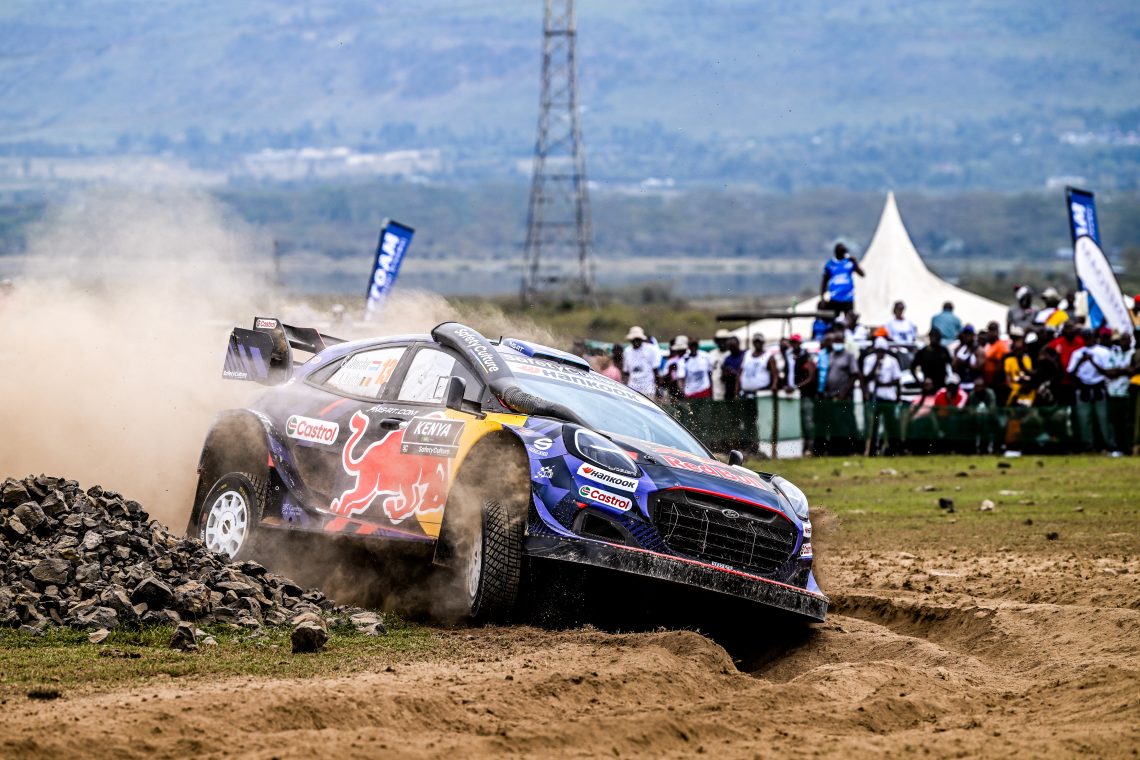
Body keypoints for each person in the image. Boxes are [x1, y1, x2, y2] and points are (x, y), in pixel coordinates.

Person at [1067, 328, 1115, 452]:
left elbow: (1108, 371)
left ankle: (1108, 445)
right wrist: (1081, 361)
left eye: (1090, 336)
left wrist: (1092, 361)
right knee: (1084, 419)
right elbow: (1070, 372)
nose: (1088, 339)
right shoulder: (1077, 353)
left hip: (1099, 387)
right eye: (1085, 337)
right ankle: (1088, 445)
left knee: (1103, 418)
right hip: (1084, 388)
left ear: (1095, 337)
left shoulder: (1103, 352)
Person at [819, 331, 860, 454]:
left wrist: (844, 392)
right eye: (835, 341)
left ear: (843, 342)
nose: (836, 343)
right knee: (834, 422)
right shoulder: (830, 355)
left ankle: (852, 448)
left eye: (839, 341)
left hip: (844, 396)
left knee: (847, 421)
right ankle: (836, 449)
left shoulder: (849, 356)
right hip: (831, 395)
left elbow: (854, 374)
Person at [860, 336, 902, 454]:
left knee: (891, 424)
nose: (880, 353)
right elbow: (866, 377)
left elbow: (897, 379)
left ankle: (894, 449)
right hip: (875, 397)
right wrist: (876, 364)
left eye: (882, 351)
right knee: (874, 424)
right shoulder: (869, 360)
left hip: (888, 396)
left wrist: (894, 392)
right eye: (878, 351)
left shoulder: (892, 361)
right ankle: (872, 450)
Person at [1105, 332, 1134, 455]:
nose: (1124, 342)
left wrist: (1117, 370)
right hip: (1113, 392)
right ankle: (1118, 447)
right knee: (1115, 422)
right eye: (1122, 340)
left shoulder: (1133, 354)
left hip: (1127, 393)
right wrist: (1123, 370)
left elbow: (1132, 370)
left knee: (1127, 422)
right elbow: (1109, 372)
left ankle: (1128, 448)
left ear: (1130, 341)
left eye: (1126, 340)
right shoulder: (1114, 354)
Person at [789, 335, 818, 455]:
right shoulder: (790, 356)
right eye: (792, 342)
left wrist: (797, 386)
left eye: (796, 342)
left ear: (799, 343)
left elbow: (811, 377)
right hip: (793, 395)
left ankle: (810, 447)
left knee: (808, 422)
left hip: (806, 394)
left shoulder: (806, 356)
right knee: (798, 422)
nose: (794, 345)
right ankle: (801, 447)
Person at [1047, 321, 1086, 407]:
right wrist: (1054, 359)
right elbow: (1045, 352)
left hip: (1077, 381)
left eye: (1071, 329)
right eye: (1067, 329)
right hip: (1061, 381)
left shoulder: (1080, 342)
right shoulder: (1058, 342)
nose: (1069, 331)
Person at [819, 242, 864, 315]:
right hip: (835, 298)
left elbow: (862, 274)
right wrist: (822, 297)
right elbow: (824, 282)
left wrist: (855, 263)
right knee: (833, 319)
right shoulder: (830, 265)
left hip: (848, 298)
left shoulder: (849, 262)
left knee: (849, 318)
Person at [622, 326, 660, 398]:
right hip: (632, 389)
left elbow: (655, 370)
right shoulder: (627, 351)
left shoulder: (651, 349)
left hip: (648, 389)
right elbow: (626, 372)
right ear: (631, 340)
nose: (636, 342)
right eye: (634, 340)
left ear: (641, 339)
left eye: (638, 339)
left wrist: (658, 388)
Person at [1003, 328, 1036, 406]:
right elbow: (1008, 381)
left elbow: (1028, 377)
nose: (1016, 343)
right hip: (1014, 393)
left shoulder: (1028, 358)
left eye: (1018, 340)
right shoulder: (1008, 360)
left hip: (1027, 393)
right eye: (1014, 340)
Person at [950, 326, 983, 391]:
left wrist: (966, 362)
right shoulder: (959, 349)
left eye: (969, 334)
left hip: (974, 386)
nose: (967, 336)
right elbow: (953, 367)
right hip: (961, 384)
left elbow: (980, 368)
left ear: (973, 335)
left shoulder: (978, 350)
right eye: (965, 334)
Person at [662, 336, 689, 403]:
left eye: (682, 349)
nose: (680, 351)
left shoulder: (690, 359)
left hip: (691, 391)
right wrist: (670, 371)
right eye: (679, 350)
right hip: (675, 391)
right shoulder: (671, 362)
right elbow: (665, 380)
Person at [709, 329, 732, 401]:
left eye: (724, 340)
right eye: (719, 340)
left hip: (729, 390)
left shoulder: (731, 353)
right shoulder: (712, 354)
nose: (722, 342)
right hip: (715, 390)